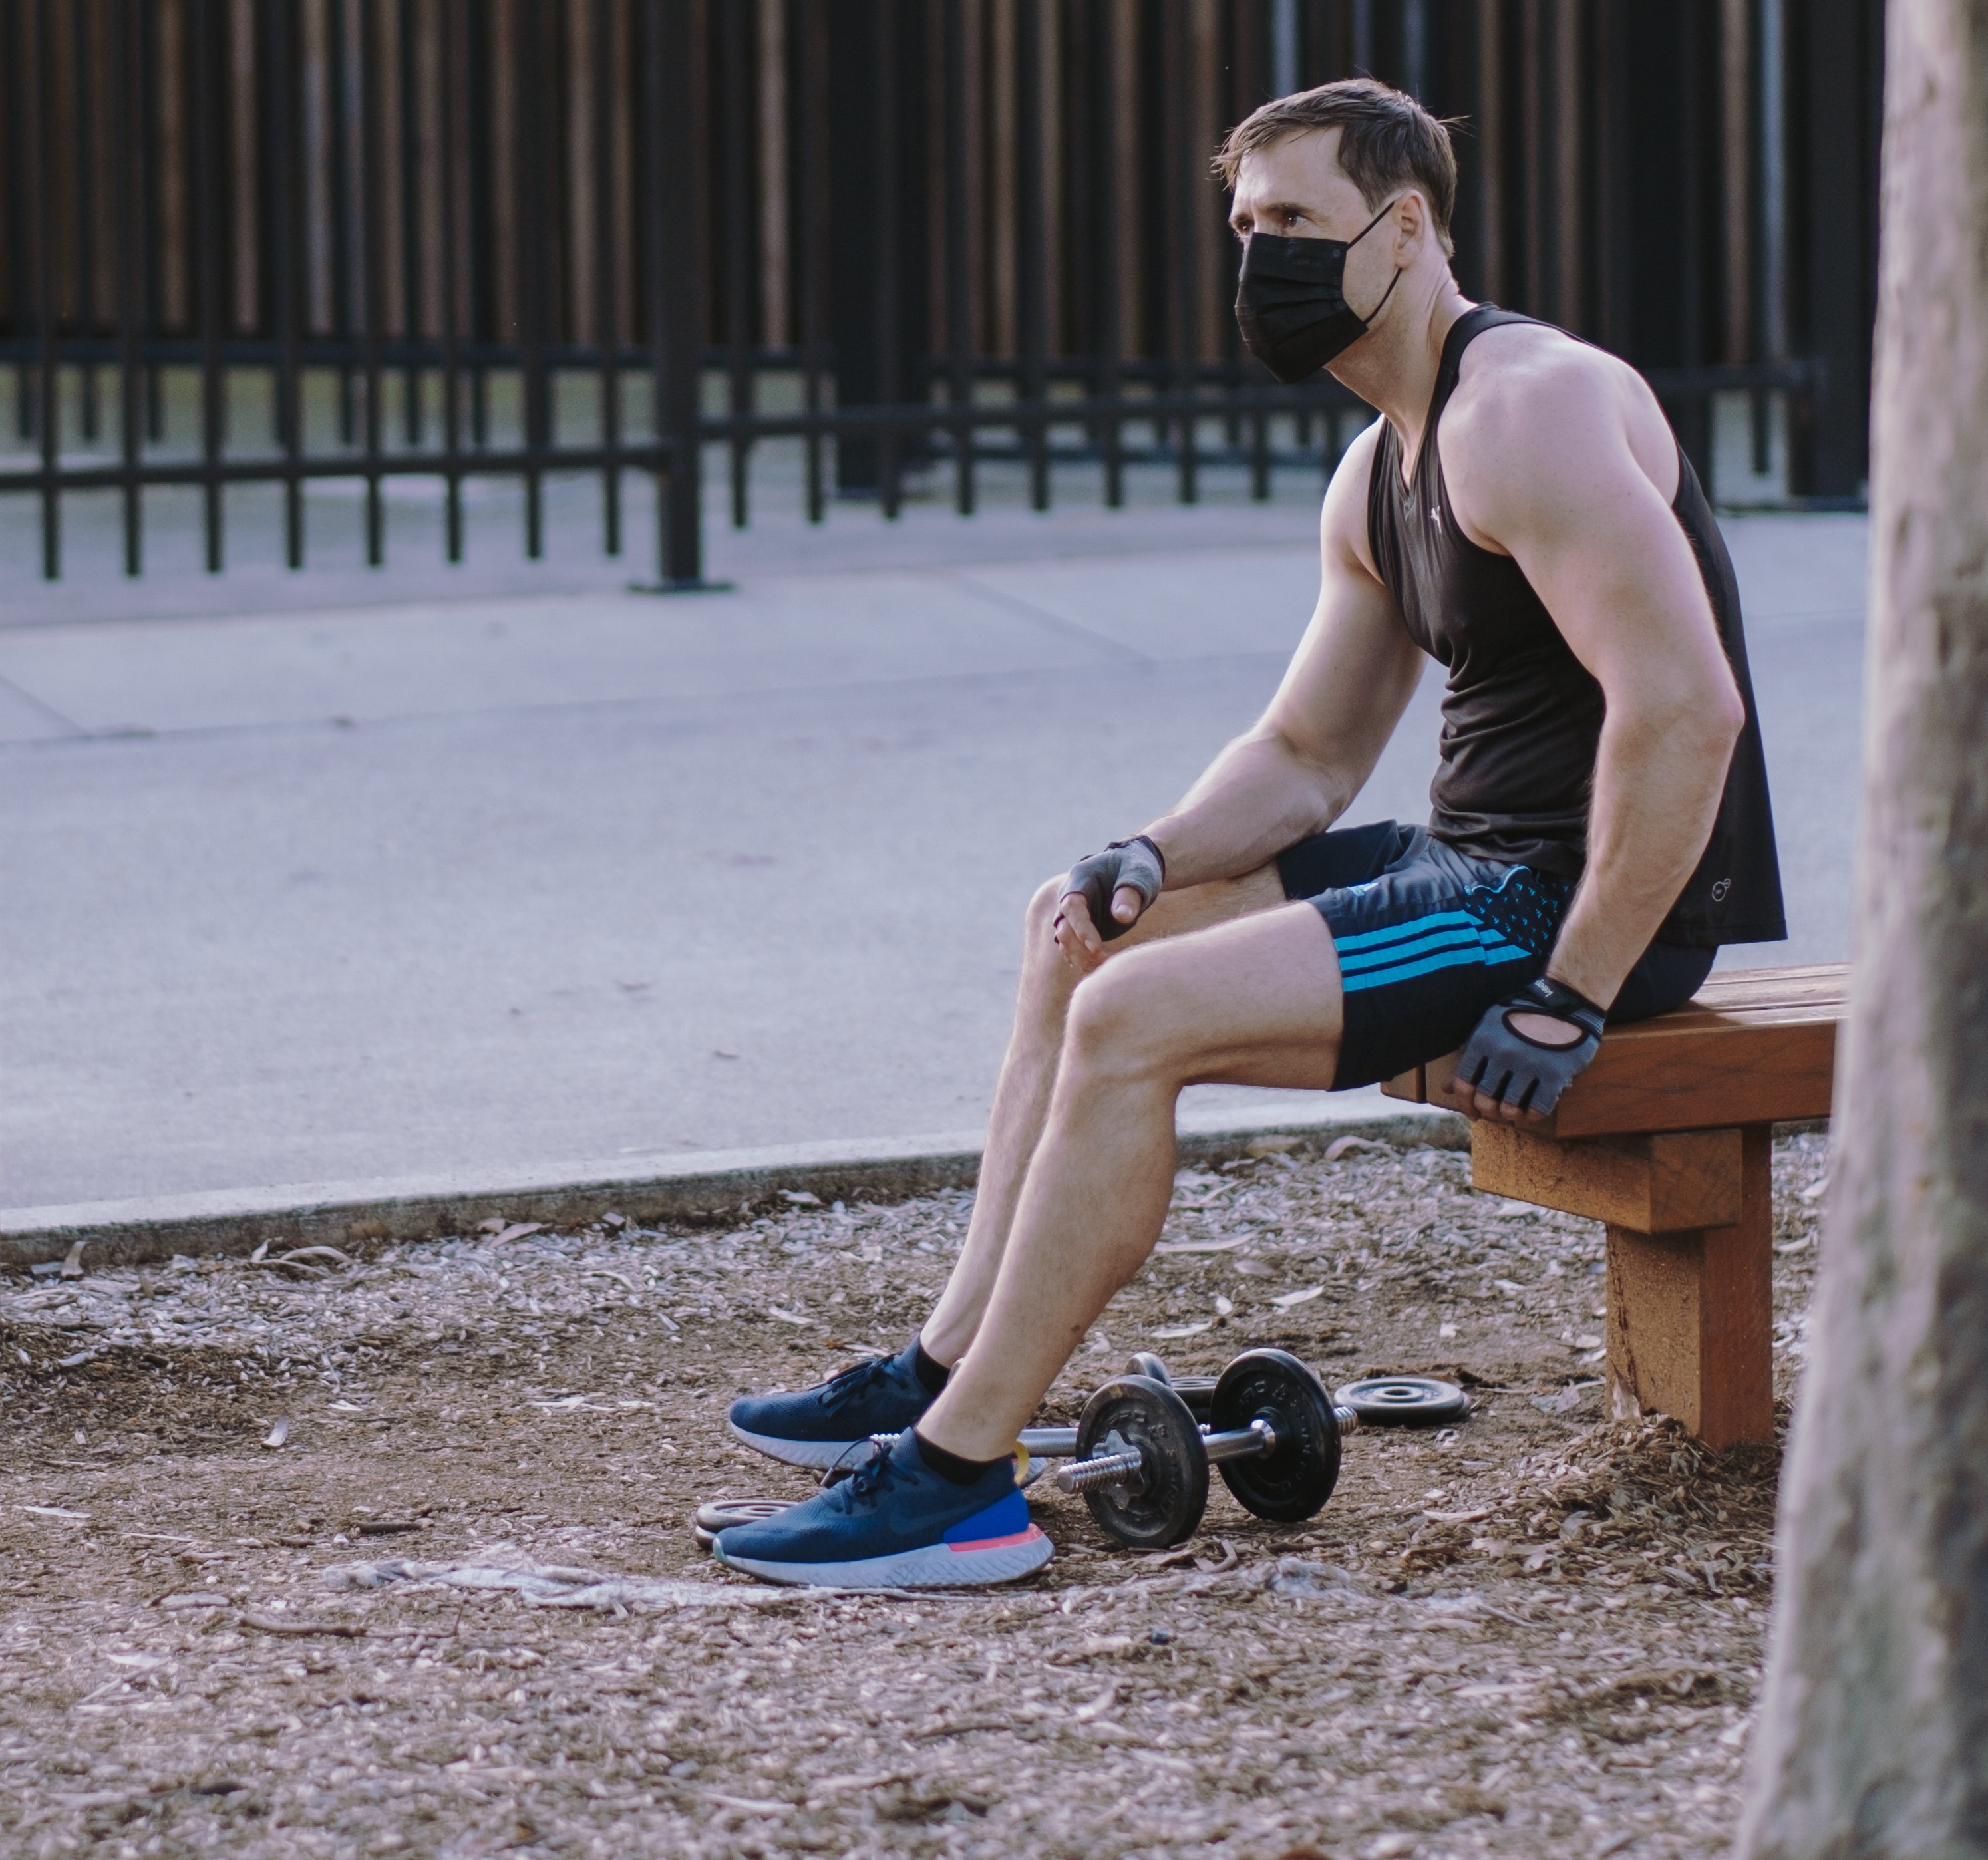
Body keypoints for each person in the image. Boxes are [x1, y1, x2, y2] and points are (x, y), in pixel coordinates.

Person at [709, 79, 1786, 1589]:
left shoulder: (1526, 408)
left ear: (1405, 228)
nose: (1262, 256)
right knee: (1084, 935)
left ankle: (960, 1485)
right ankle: (945, 1368)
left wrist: (1578, 986)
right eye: (1246, 226)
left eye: (1298, 222)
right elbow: (1308, 749)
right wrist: (1151, 850)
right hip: (1470, 865)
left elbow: (1688, 710)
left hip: (1573, 907)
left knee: (1138, 1019)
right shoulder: (1381, 465)